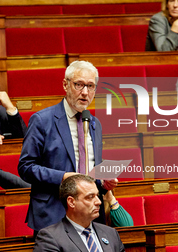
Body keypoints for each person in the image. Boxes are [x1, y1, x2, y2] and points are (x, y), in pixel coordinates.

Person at [18, 60, 118, 233]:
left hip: (90, 216)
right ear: (65, 84)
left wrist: (103, 182)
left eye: (90, 86)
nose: (85, 92)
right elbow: (26, 168)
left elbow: (92, 169)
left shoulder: (95, 123)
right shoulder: (42, 120)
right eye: (79, 85)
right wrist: (63, 177)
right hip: (53, 213)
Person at [33, 175, 125, 252]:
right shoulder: (50, 238)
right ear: (71, 202)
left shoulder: (111, 234)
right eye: (90, 197)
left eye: (97, 195)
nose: (98, 202)